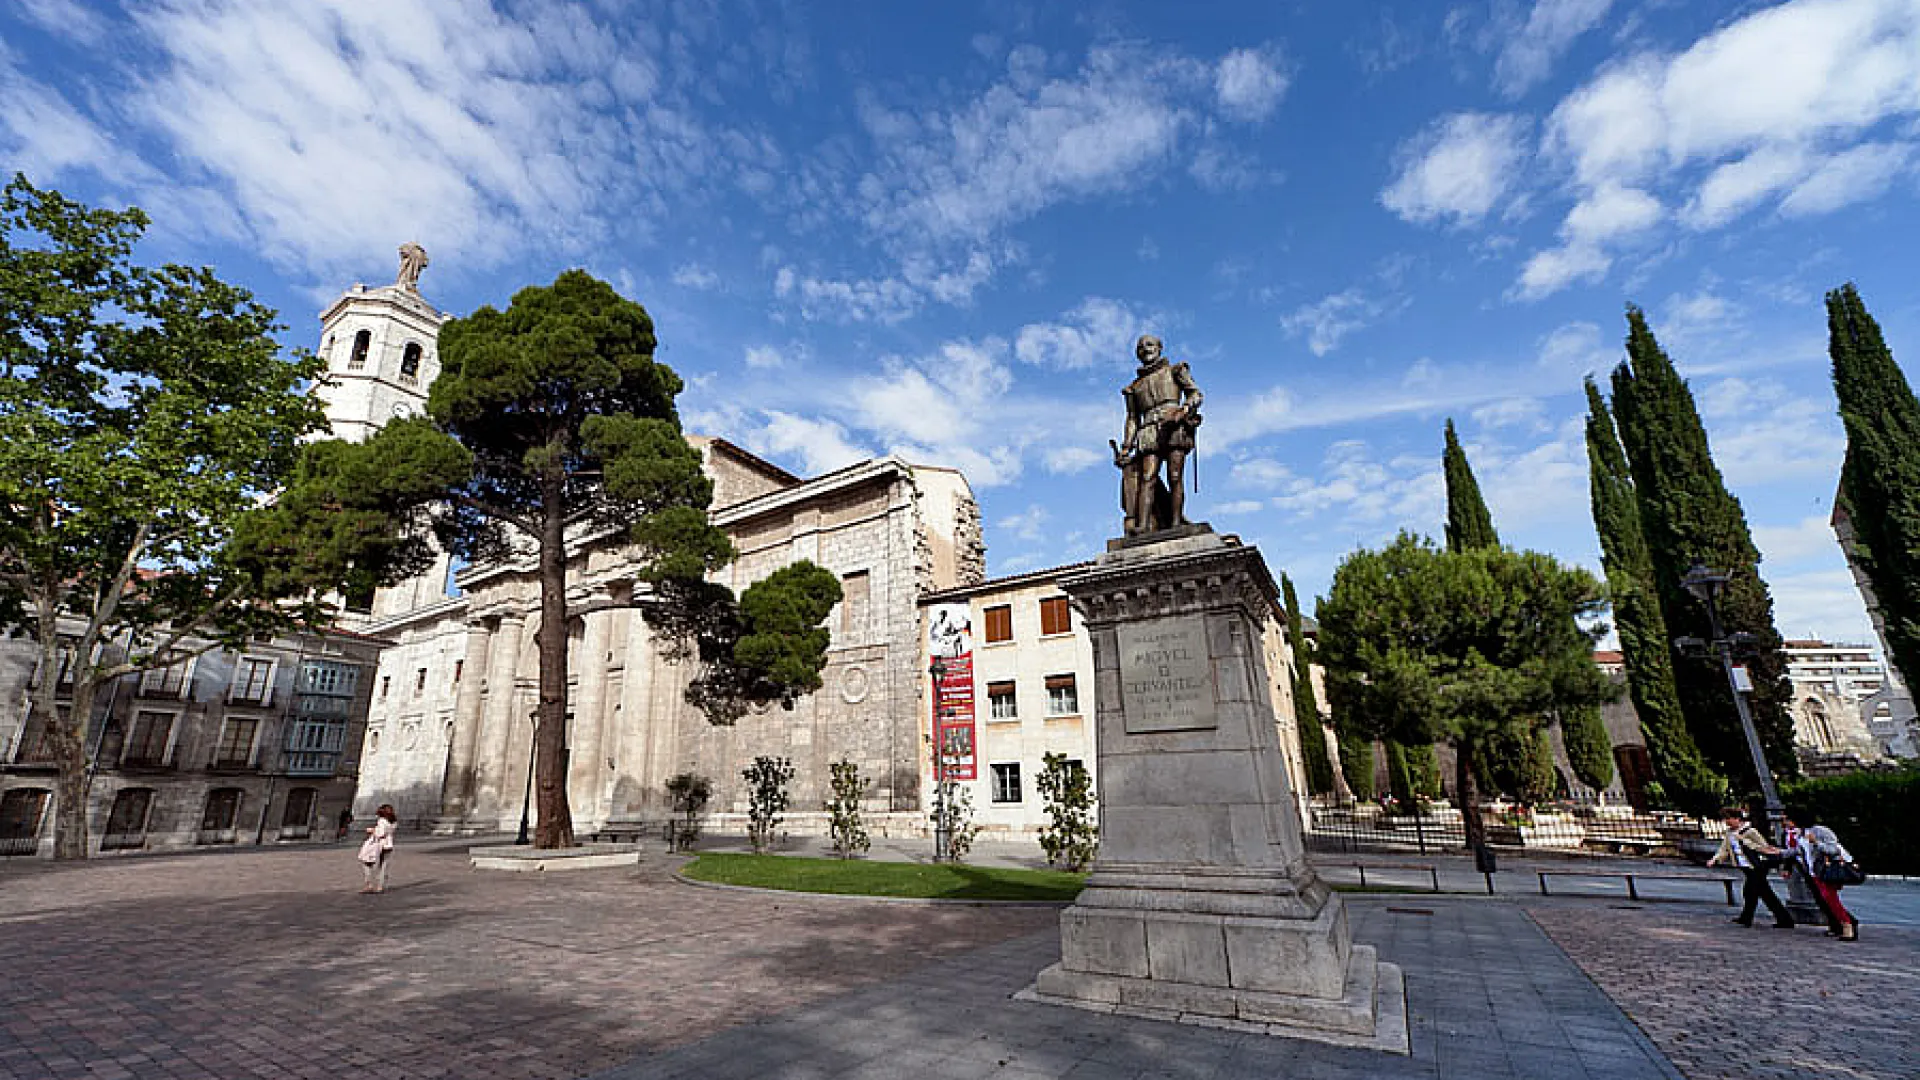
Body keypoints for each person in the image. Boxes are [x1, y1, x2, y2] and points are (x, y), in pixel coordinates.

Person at [1114, 335, 1203, 536]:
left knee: (1174, 476)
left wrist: (1185, 409)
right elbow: (1132, 418)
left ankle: (1176, 522)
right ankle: (1143, 526)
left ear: (1160, 348)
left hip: (1173, 425)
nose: (1145, 349)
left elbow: (1195, 393)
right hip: (1148, 431)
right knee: (1147, 477)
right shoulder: (1134, 387)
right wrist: (1126, 446)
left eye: (1149, 345)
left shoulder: (1175, 371)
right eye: (1140, 347)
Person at [1707, 807, 1794, 929]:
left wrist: (1744, 841)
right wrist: (1715, 859)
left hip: (1756, 866)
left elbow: (1763, 847)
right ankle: (1783, 919)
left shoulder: (1750, 831)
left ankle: (1747, 918)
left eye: (1729, 818)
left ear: (1737, 818)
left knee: (1750, 891)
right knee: (1764, 893)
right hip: (1745, 866)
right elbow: (1724, 849)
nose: (1727, 821)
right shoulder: (1729, 833)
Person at [1800, 817, 1860, 941]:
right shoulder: (1800, 834)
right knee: (1828, 900)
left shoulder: (1820, 831)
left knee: (1831, 899)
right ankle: (1843, 924)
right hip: (1815, 872)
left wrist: (1816, 842)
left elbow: (1833, 849)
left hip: (1826, 870)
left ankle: (1847, 925)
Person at [357, 804, 397, 894]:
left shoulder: (382, 821)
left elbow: (380, 833)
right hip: (388, 845)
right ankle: (380, 886)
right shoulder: (393, 822)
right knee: (383, 866)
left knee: (366, 862)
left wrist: (372, 830)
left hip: (378, 845)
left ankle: (369, 884)